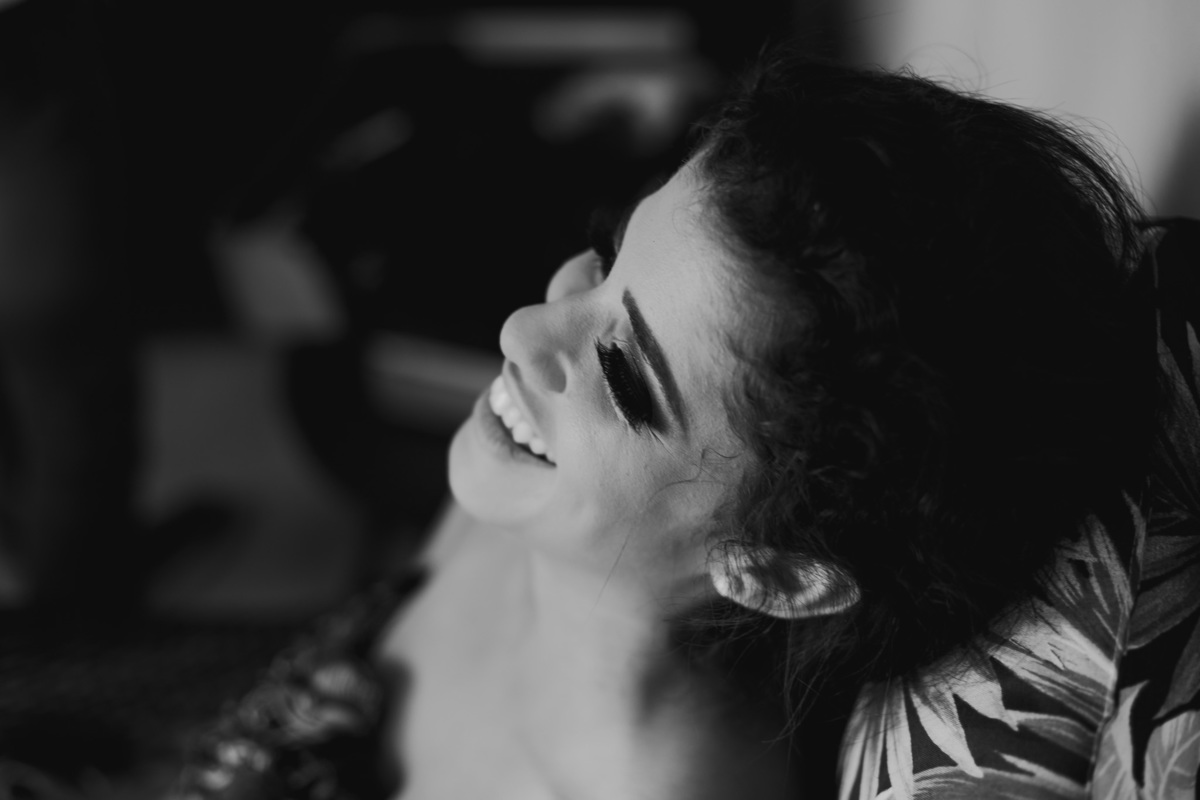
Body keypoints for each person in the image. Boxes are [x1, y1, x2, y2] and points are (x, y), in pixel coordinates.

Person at [171, 47, 1200, 799]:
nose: (525, 328)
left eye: (624, 374)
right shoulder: (535, 491)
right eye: (605, 259)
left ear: (775, 571)